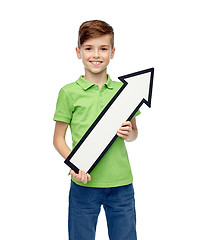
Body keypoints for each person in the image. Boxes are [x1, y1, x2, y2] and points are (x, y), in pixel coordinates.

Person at [53, 20, 141, 240]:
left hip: (121, 184)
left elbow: (134, 134)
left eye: (103, 48)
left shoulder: (124, 91)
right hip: (84, 183)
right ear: (78, 52)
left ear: (112, 52)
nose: (96, 54)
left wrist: (129, 133)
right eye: (89, 48)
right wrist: (73, 164)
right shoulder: (68, 93)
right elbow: (58, 139)